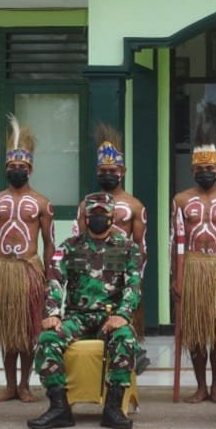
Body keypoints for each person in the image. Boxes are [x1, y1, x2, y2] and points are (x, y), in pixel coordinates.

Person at [28, 192, 141, 429]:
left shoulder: (127, 247)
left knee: (126, 339)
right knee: (48, 339)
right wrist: (52, 313)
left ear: (112, 216)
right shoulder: (69, 248)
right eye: (93, 214)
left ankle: (113, 408)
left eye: (103, 213)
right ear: (85, 218)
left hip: (111, 317)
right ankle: (59, 408)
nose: (98, 218)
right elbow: (54, 281)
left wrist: (123, 314)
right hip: (76, 317)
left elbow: (133, 285)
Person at [0, 115, 54, 402]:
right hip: (1, 269)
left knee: (27, 330)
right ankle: (9, 385)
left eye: (21, 167)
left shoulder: (41, 203)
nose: (16, 171)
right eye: (12, 167)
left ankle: (25, 384)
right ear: (5, 169)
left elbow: (49, 243)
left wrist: (49, 276)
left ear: (30, 169)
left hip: (28, 269)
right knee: (6, 330)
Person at [170, 123, 216, 403]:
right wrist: (176, 278)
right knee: (197, 332)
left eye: (210, 168)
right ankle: (201, 385)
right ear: (192, 171)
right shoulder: (181, 200)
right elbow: (175, 242)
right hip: (192, 267)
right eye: (200, 169)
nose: (205, 173)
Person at [73, 124, 149, 336]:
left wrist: (136, 282)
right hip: (92, 279)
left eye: (112, 171)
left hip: (123, 276)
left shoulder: (135, 206)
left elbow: (141, 247)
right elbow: (78, 243)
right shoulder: (85, 204)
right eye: (103, 171)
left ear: (122, 172)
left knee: (123, 334)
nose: (108, 174)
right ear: (97, 172)